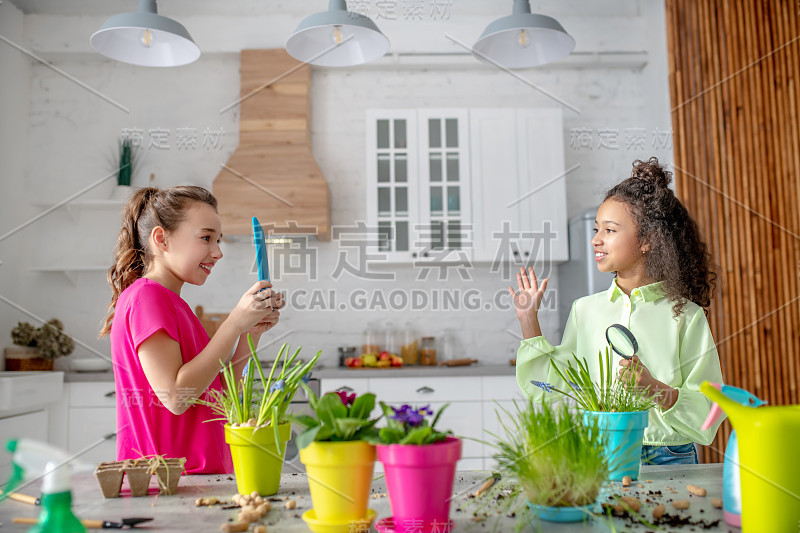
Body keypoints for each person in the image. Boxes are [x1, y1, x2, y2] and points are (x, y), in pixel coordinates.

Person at [509, 158, 724, 465]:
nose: (595, 239)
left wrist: (656, 390)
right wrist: (528, 320)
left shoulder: (686, 315)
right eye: (597, 229)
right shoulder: (584, 311)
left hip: (670, 457)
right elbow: (549, 387)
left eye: (609, 230)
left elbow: (710, 411)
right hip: (601, 453)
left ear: (648, 240)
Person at [98, 186, 284, 474]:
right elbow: (176, 397)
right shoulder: (148, 297)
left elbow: (221, 396)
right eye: (206, 238)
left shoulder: (174, 305)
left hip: (195, 479)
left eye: (218, 240)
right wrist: (233, 322)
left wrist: (250, 333)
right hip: (167, 483)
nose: (218, 252)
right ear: (161, 239)